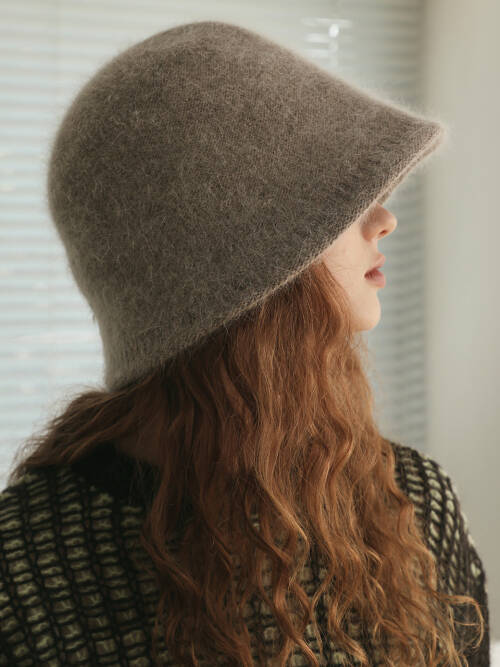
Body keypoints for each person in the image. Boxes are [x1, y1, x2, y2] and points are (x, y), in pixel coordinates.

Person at [0, 20, 489, 667]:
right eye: (338, 200)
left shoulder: (408, 505)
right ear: (230, 265)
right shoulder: (26, 566)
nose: (384, 218)